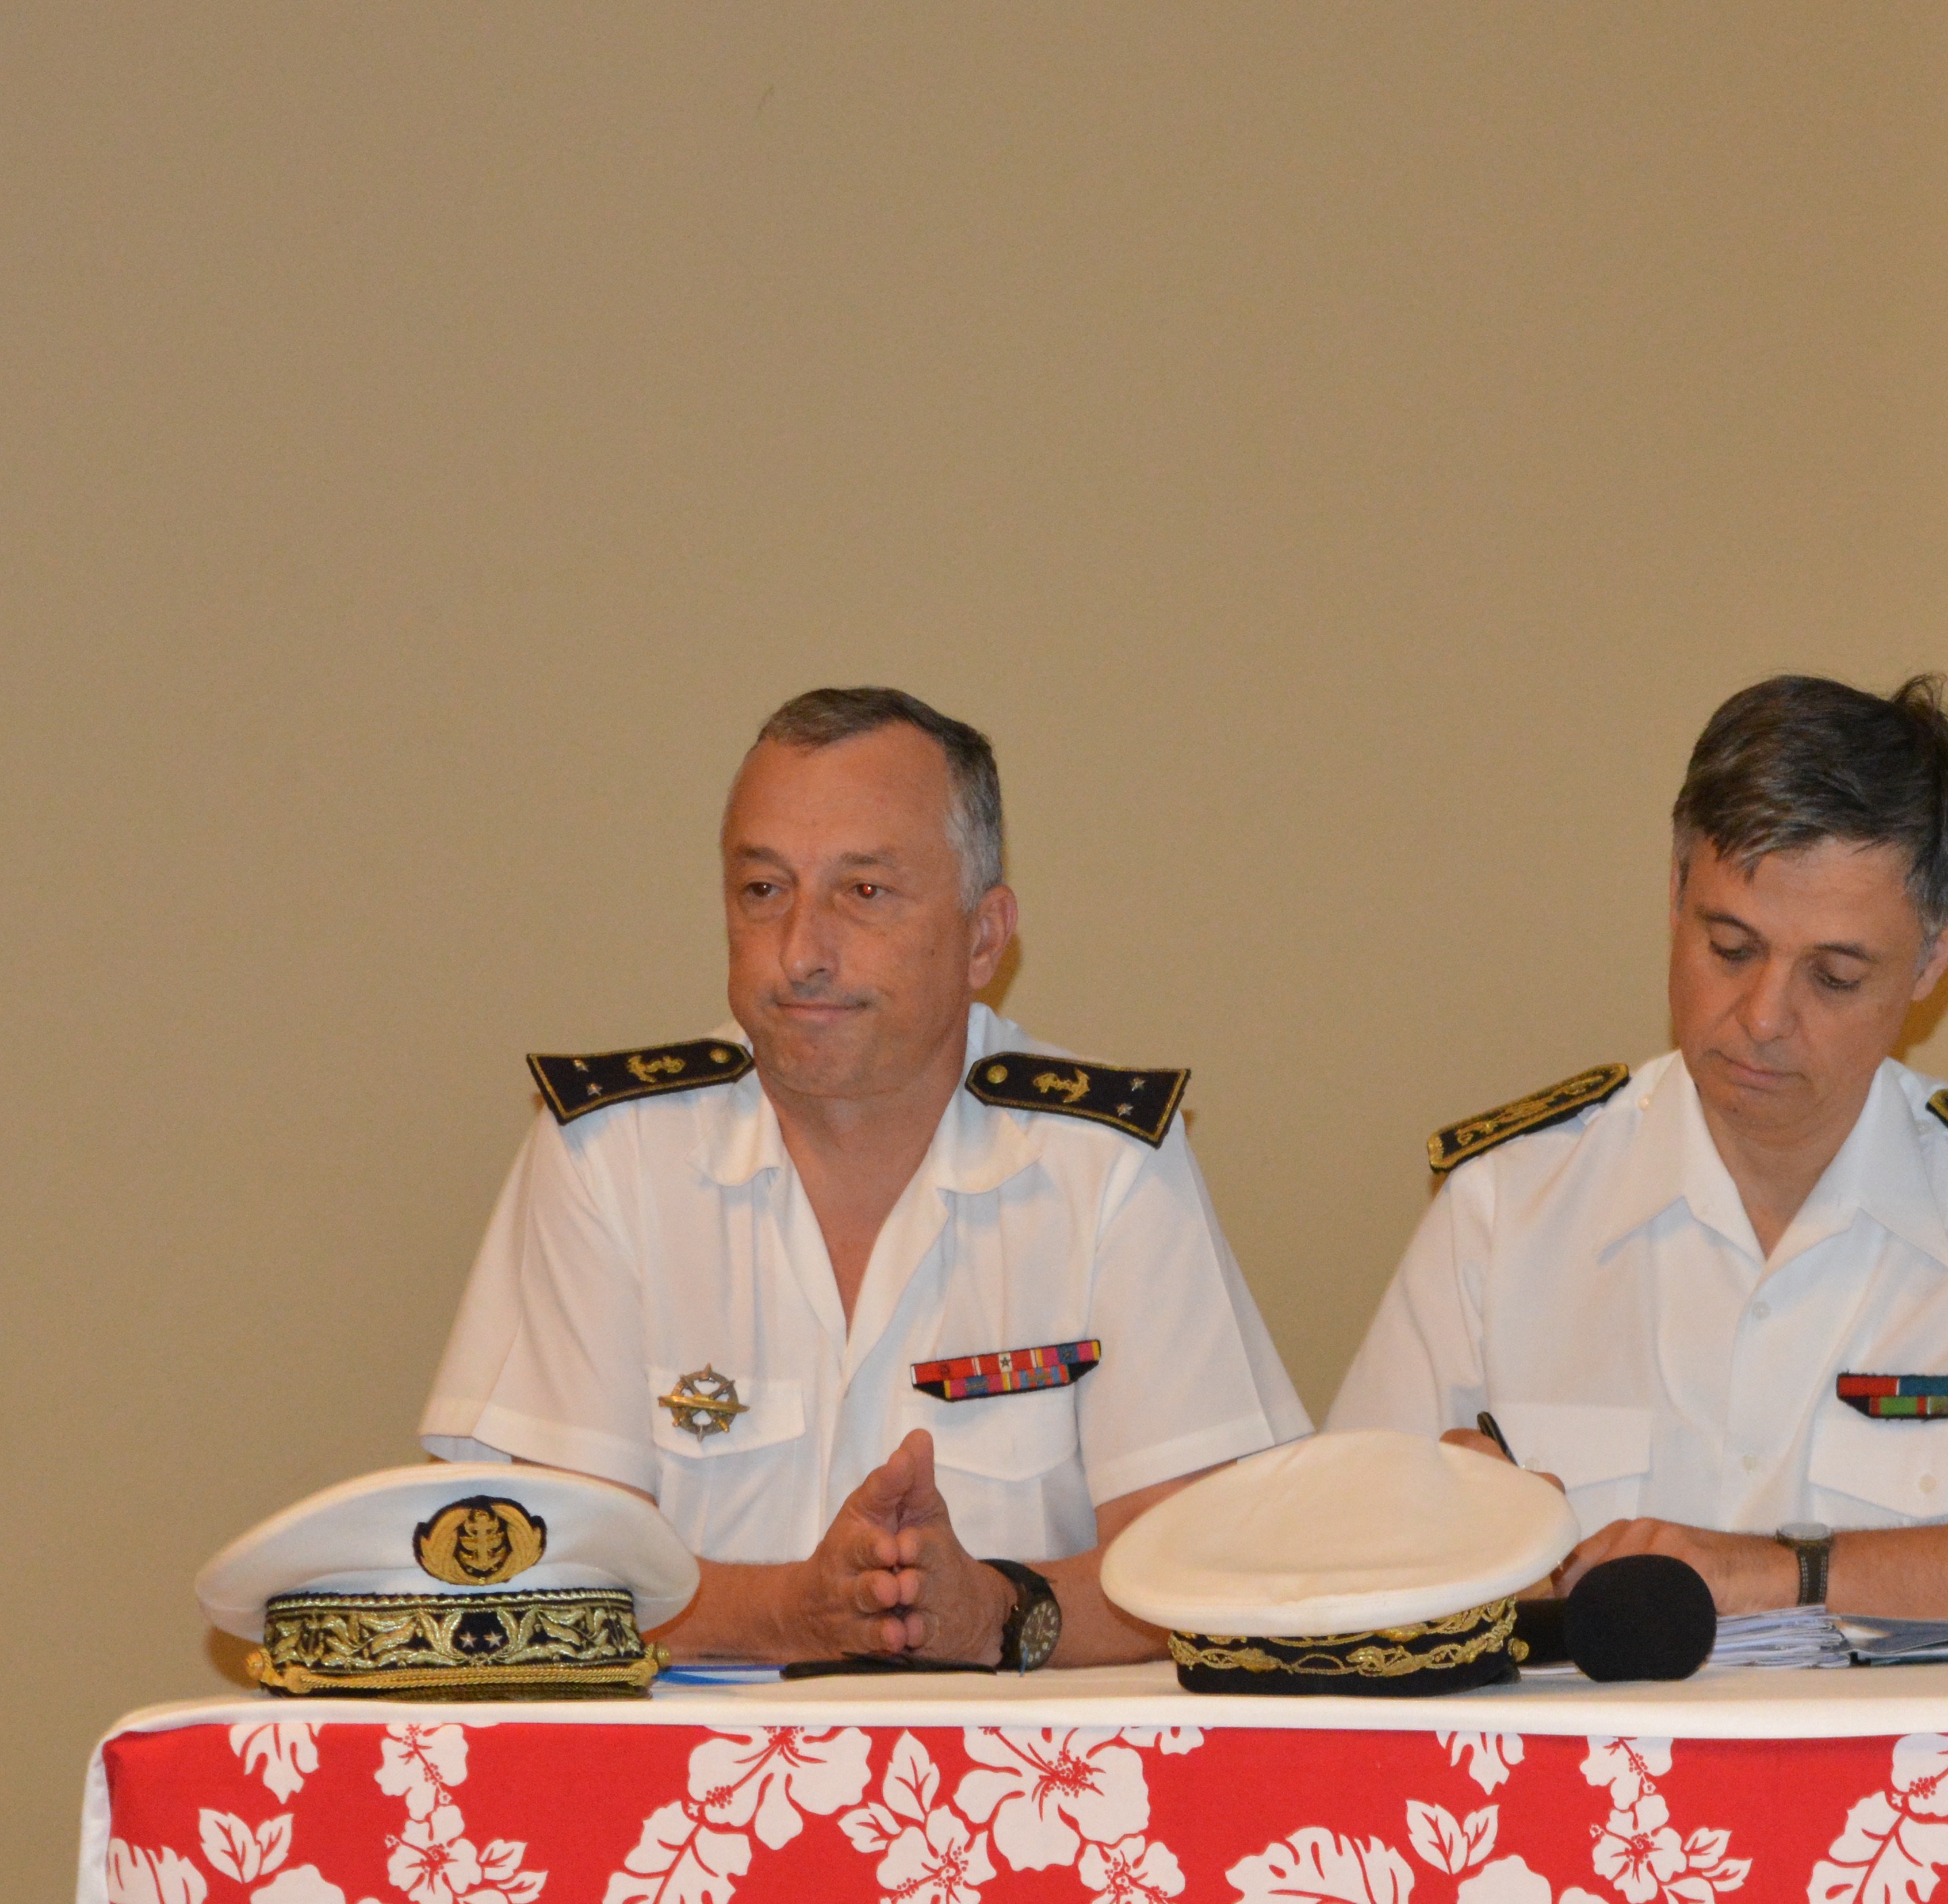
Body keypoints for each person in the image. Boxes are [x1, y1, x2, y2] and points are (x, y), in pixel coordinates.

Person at [422, 688, 1310, 1665]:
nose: (801, 952)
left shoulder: (1107, 1165)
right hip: (677, 1793)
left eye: (864, 893)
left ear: (984, 937)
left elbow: (1203, 1570)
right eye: (764, 891)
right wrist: (789, 1615)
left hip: (1027, 1794)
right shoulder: (608, 1156)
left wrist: (993, 1614)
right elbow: (530, 1574)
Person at [1326, 673, 1948, 1629]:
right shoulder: (1506, 1209)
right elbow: (1318, 1571)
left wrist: (1784, 1571)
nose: (1762, 1019)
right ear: (1675, 891)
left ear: (1934, 956)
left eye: (1835, 976)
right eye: (1730, 947)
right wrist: (1443, 1545)